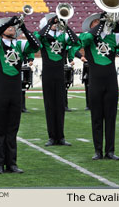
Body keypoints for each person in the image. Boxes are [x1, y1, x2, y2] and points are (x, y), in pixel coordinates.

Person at [80, 12, 119, 161]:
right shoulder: (89, 38)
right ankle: (98, 150)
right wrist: (99, 25)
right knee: (96, 118)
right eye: (96, 23)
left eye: (102, 22)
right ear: (91, 26)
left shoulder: (114, 37)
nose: (101, 24)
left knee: (111, 118)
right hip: (95, 83)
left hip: (111, 82)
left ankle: (110, 151)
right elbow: (83, 40)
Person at [0, 16, 40, 174]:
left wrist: (22, 27)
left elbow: (35, 46)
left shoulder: (20, 44)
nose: (11, 29)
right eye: (8, 27)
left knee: (13, 127)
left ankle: (12, 163)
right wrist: (8, 22)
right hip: (1, 87)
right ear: (3, 30)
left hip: (15, 88)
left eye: (12, 27)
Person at [34, 13, 81, 147]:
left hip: (59, 74)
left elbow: (77, 41)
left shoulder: (63, 37)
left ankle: (60, 137)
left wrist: (66, 26)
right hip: (48, 74)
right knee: (49, 106)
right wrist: (49, 24)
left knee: (60, 106)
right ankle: (51, 137)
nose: (55, 25)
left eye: (56, 23)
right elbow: (36, 37)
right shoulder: (44, 37)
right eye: (53, 23)